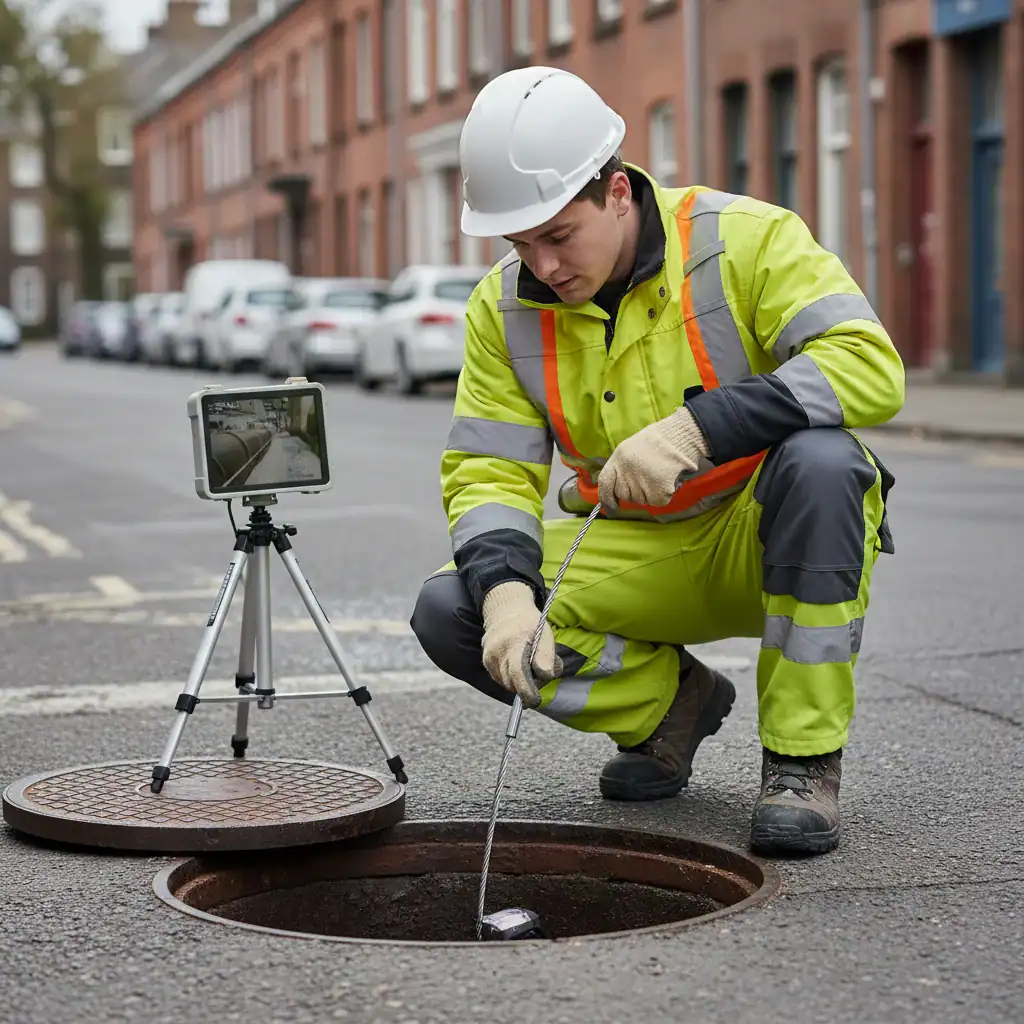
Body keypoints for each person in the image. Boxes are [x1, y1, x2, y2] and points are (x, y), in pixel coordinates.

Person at [410, 66, 902, 856]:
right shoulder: (500, 309)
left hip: (767, 534)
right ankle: (672, 709)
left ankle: (801, 763)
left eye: (559, 236)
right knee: (453, 610)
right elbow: (488, 468)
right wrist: (505, 593)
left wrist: (698, 431)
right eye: (519, 244)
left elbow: (867, 365)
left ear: (616, 193)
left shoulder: (747, 239)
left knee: (826, 461)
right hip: (638, 549)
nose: (542, 266)